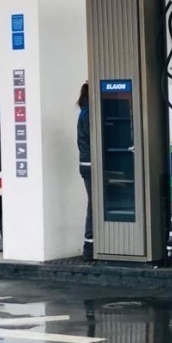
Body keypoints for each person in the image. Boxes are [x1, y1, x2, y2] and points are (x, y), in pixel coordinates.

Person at [77, 82, 93, 261]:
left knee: (93, 204)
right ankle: (89, 248)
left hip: (87, 164)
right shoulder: (89, 113)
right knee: (94, 205)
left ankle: (90, 246)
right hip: (91, 165)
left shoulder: (85, 111)